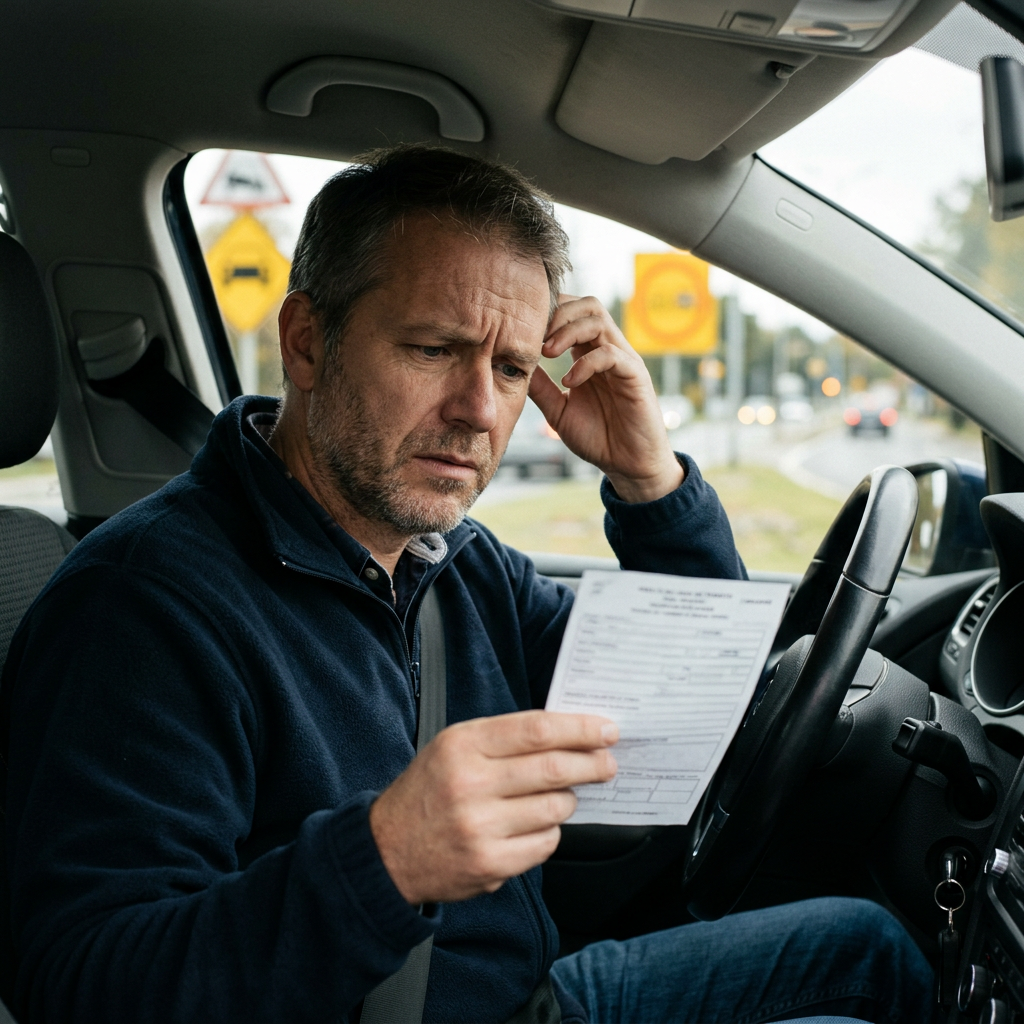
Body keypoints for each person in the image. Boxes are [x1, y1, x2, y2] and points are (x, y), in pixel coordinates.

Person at [1, 146, 933, 1024]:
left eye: (514, 367)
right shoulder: (142, 609)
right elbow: (84, 983)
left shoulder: (455, 562)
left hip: (526, 993)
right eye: (435, 349)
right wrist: (385, 863)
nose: (481, 412)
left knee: (870, 947)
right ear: (308, 342)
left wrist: (652, 487)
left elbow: (682, 698)